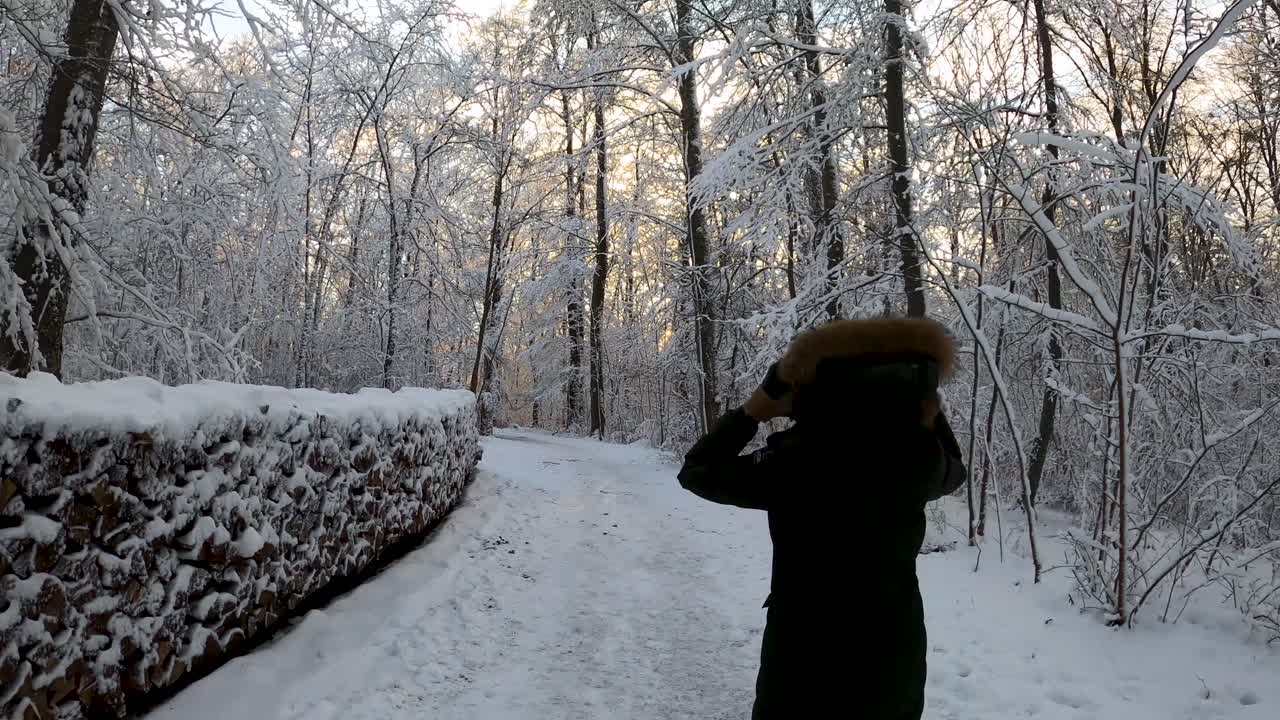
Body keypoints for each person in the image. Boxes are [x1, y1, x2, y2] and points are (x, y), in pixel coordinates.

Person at [678, 316, 966, 720]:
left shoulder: (792, 459)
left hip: (801, 664)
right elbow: (956, 467)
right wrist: (923, 407)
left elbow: (697, 471)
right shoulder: (921, 458)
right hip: (892, 662)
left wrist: (753, 410)